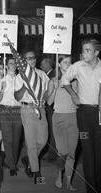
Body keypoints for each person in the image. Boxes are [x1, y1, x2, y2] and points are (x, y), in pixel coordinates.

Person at [62, 39, 101, 193]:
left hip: (99, 113)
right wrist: (73, 94)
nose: (84, 53)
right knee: (88, 151)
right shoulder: (78, 66)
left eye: (87, 50)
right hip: (84, 114)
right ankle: (91, 189)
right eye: (83, 50)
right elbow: (64, 80)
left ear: (96, 52)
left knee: (99, 153)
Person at [14, 49, 49, 184]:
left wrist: (43, 99)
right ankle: (36, 170)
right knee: (31, 142)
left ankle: (29, 160)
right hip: (27, 109)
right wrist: (24, 86)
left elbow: (46, 91)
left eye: (33, 58)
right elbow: (17, 97)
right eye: (29, 58)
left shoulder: (41, 74)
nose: (32, 60)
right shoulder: (19, 77)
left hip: (40, 108)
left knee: (43, 140)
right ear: (24, 61)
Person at [47, 55, 78, 191]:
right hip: (58, 117)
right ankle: (59, 174)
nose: (68, 65)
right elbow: (48, 102)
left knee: (72, 152)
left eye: (70, 62)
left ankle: (69, 180)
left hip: (74, 117)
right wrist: (54, 88)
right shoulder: (53, 80)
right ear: (59, 65)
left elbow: (79, 101)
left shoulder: (76, 81)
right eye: (65, 62)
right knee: (63, 151)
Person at [0, 56, 22, 176]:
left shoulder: (21, 79)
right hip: (5, 111)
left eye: (15, 63)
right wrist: (2, 90)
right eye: (11, 63)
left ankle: (12, 161)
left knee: (17, 140)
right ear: (6, 66)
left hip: (18, 111)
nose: (14, 65)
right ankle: (12, 166)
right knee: (7, 139)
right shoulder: (1, 80)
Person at [40, 58, 57, 161]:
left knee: (52, 133)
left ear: (48, 65)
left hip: (52, 108)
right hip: (49, 107)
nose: (41, 66)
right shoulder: (46, 75)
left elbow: (47, 93)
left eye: (42, 64)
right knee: (49, 132)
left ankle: (52, 155)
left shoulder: (52, 76)